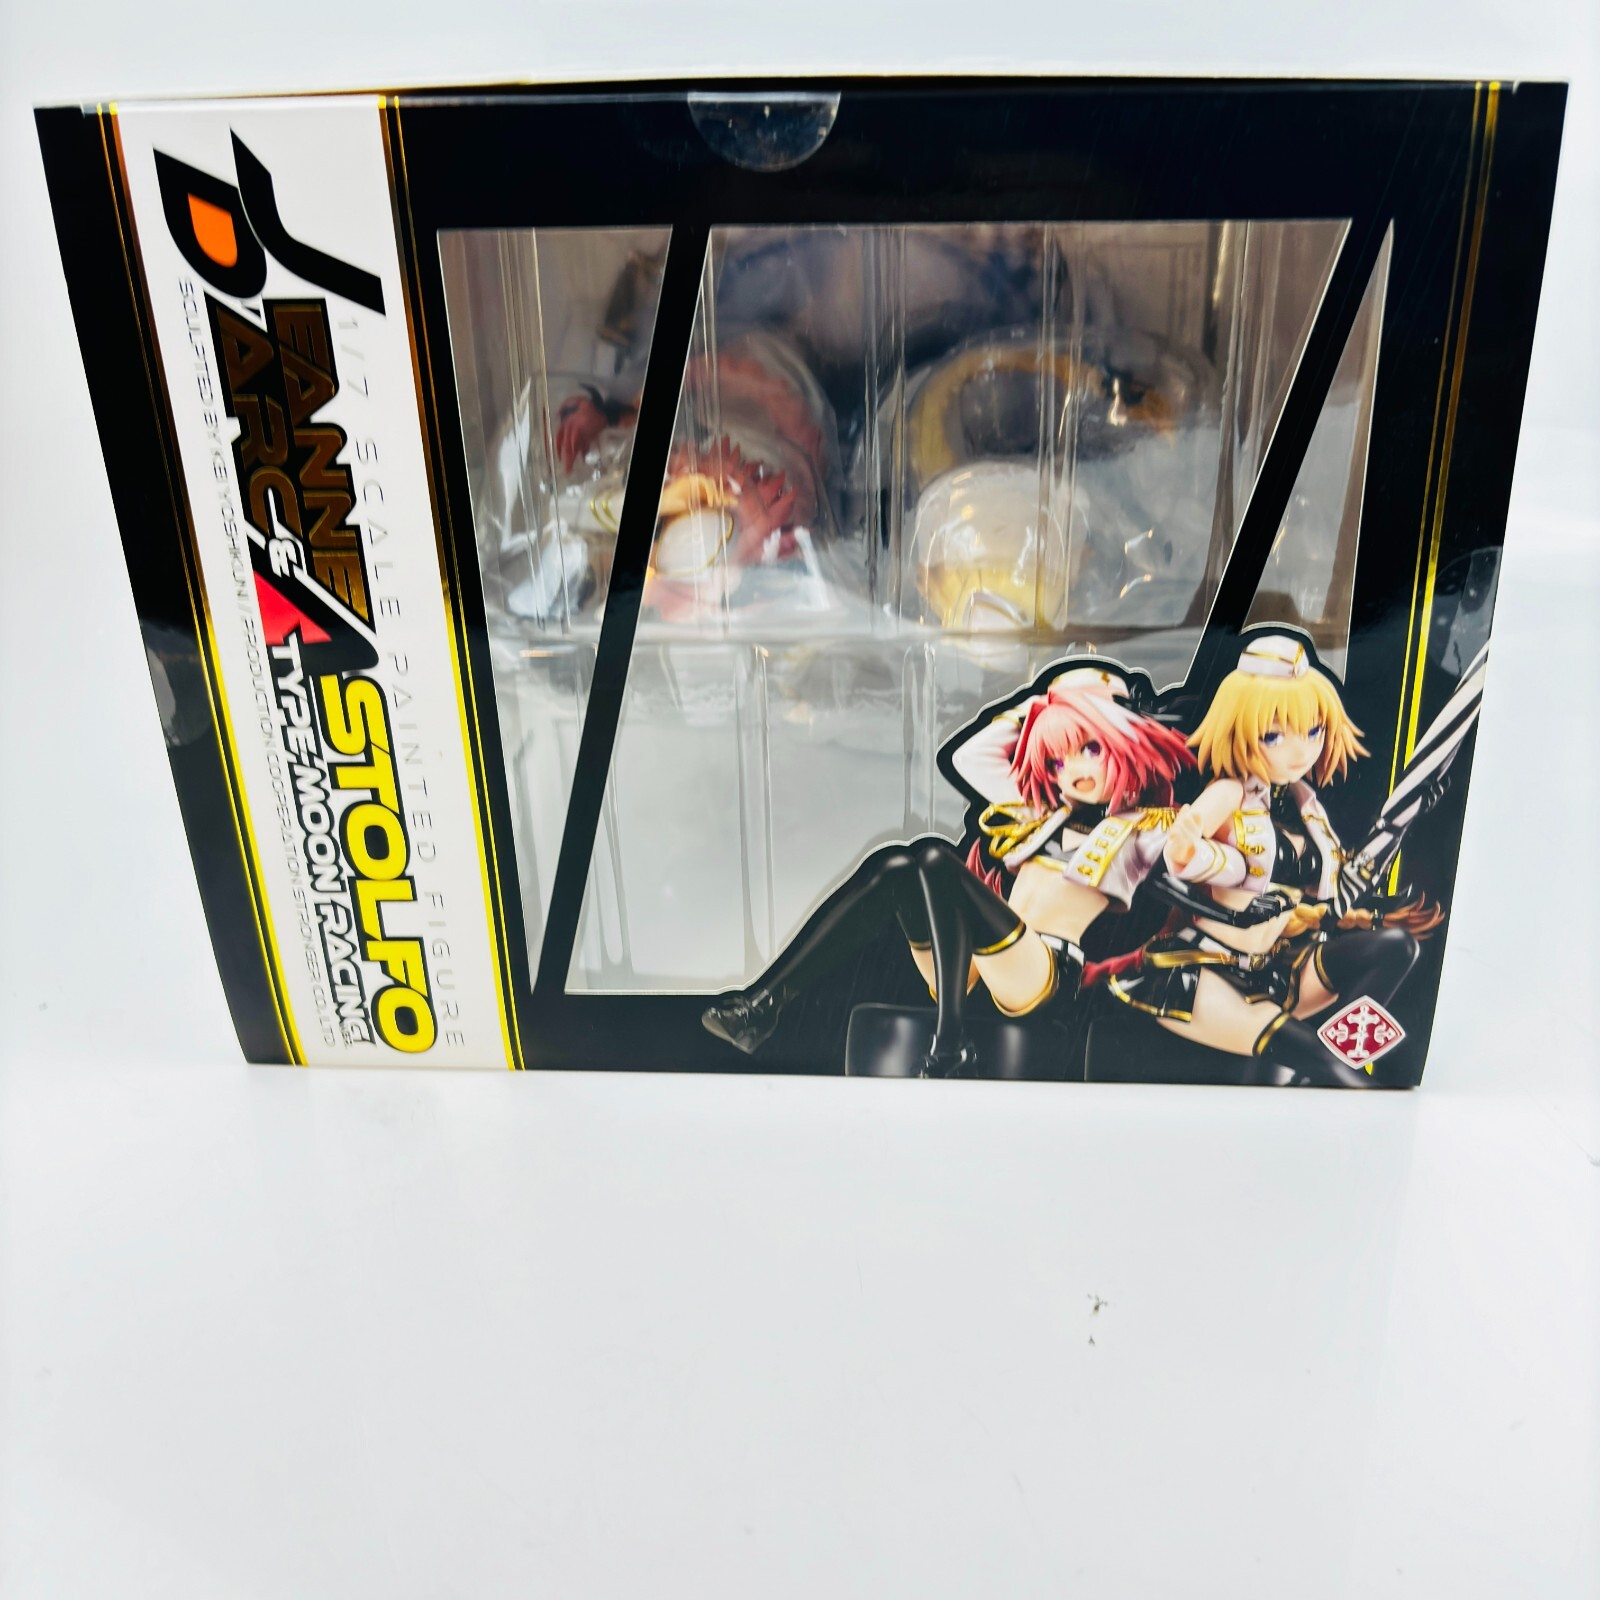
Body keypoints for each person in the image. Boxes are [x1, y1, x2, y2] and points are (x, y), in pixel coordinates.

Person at [701, 665, 1197, 1075]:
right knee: (900, 865)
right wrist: (1048, 702)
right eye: (1056, 762)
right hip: (974, 965)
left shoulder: (1145, 828)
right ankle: (762, 1006)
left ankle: (950, 1043)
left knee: (938, 859)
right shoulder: (1042, 815)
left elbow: (1200, 860)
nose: (1075, 771)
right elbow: (968, 757)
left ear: (1126, 742)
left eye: (1091, 748)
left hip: (1044, 974)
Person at [1103, 633, 1437, 1087]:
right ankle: (1321, 1069)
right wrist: (1228, 899)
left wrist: (1402, 824)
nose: (1301, 751)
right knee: (1332, 1071)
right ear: (1239, 730)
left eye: (1314, 732)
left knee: (1395, 947)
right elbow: (1169, 860)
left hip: (1276, 970)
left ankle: (1322, 1063)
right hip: (1205, 971)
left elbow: (1338, 886)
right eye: (1274, 735)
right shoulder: (1229, 793)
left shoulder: (1304, 805)